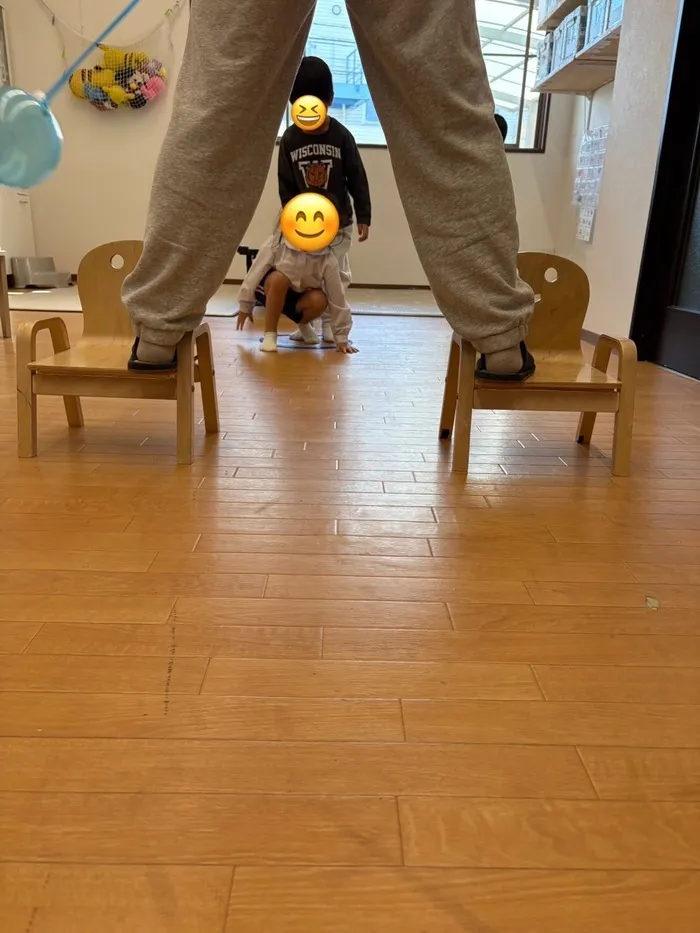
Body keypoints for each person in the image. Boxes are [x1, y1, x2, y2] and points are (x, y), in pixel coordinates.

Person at [123, 0, 535, 382]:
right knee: (446, 114)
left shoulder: (337, 137)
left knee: (216, 114)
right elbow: (295, 181)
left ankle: (158, 331)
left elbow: (354, 177)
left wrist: (358, 216)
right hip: (310, 227)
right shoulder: (297, 138)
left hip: (331, 228)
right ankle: (500, 338)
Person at [279, 56, 371, 345]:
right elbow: (285, 184)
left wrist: (364, 216)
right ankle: (305, 325)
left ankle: (331, 325)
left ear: (329, 101)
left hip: (338, 224)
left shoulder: (342, 137)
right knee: (301, 277)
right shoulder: (290, 139)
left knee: (336, 276)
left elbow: (357, 177)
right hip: (302, 226)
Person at [236, 227, 357, 353]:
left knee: (320, 299)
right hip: (270, 292)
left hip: (299, 299)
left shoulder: (328, 258)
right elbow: (255, 272)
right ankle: (270, 334)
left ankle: (303, 325)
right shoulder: (277, 242)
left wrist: (342, 337)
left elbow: (337, 297)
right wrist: (245, 305)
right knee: (279, 279)